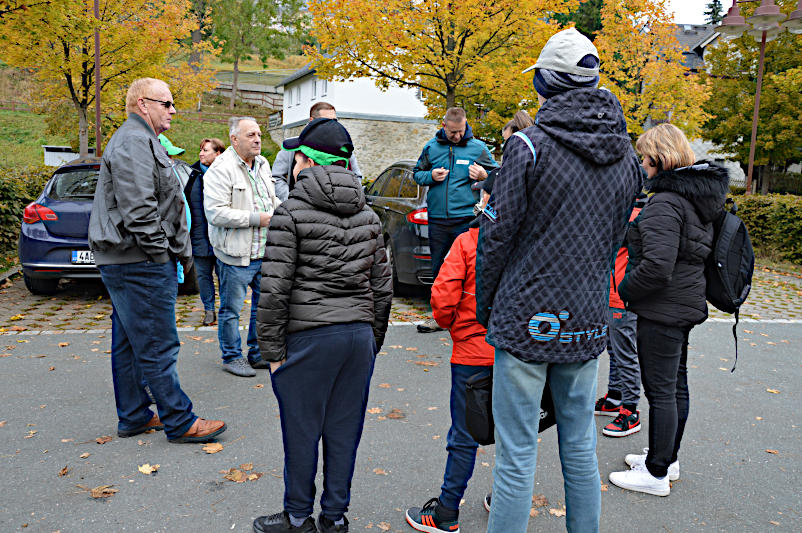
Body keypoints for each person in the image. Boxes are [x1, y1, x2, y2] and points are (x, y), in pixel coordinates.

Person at [476, 28, 642, 532]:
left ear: (548, 82)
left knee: (517, 452)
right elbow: (618, 235)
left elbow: (494, 241)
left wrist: (490, 311)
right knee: (579, 445)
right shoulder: (628, 156)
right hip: (588, 318)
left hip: (528, 318)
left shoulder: (527, 147)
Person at [253, 117, 393, 533]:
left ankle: (298, 518)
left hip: (309, 338)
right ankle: (334, 518)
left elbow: (274, 290)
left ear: (305, 160)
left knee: (301, 432)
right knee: (344, 432)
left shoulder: (289, 213)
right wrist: (371, 343)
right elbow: (382, 290)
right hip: (356, 337)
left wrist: (272, 354)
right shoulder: (369, 215)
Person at [88, 77, 226, 443]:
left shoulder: (139, 139)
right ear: (142, 104)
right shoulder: (134, 140)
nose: (173, 109)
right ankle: (180, 421)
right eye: (165, 103)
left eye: (172, 103)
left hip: (132, 259)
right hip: (140, 261)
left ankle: (134, 415)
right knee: (157, 342)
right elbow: (140, 211)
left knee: (131, 341)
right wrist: (160, 253)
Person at [609, 124, 729, 496]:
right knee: (675, 386)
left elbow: (657, 265)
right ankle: (666, 457)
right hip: (683, 303)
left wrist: (625, 289)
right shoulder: (697, 198)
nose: (642, 164)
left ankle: (656, 473)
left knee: (660, 391)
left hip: (662, 309)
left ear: (660, 158)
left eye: (645, 156)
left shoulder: (665, 202)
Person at [404, 220, 494, 533]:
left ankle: (446, 511)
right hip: (517, 351)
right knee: (516, 431)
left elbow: (443, 298)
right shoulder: (530, 237)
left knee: (464, 433)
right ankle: (510, 496)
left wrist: (452, 323)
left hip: (473, 350)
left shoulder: (469, 241)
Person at [204, 117, 281, 377]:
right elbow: (216, 214)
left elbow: (270, 199)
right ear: (234, 139)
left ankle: (257, 354)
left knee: (263, 307)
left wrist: (286, 209)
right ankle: (231, 357)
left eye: (259, 134)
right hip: (235, 255)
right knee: (231, 310)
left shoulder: (263, 164)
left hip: (265, 252)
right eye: (250, 135)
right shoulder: (220, 168)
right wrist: (255, 219)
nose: (258, 139)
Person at [413, 107, 498, 333]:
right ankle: (439, 317)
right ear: (444, 126)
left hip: (465, 219)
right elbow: (416, 173)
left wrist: (483, 176)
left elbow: (501, 175)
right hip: (438, 219)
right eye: (453, 133)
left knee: (469, 269)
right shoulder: (431, 147)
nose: (458, 136)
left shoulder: (478, 148)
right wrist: (430, 176)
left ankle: (470, 316)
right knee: (439, 268)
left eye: (461, 131)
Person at [594, 195, 646, 438]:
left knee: (624, 352)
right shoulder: (622, 210)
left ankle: (630, 409)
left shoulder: (632, 215)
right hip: (611, 293)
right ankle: (615, 396)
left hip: (621, 296)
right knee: (614, 348)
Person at [271, 101, 363, 200]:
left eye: (334, 121)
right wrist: (289, 201)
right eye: (325, 121)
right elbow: (277, 177)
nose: (331, 125)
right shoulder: (292, 146)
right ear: (311, 121)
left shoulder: (344, 148)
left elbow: (356, 177)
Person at [187, 137, 226, 326]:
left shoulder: (228, 174)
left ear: (218, 153)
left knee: (225, 276)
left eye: (206, 150)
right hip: (200, 236)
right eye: (200, 150)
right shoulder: (192, 175)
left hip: (223, 238)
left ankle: (226, 309)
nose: (201, 154)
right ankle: (209, 310)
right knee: (203, 277)